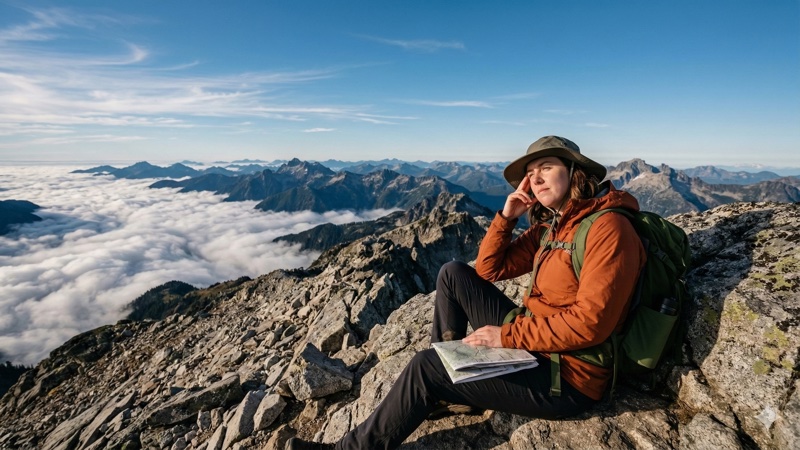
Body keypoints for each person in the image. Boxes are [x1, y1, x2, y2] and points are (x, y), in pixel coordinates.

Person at [286, 136, 646, 450]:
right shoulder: (554, 226)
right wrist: (507, 216)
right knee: (453, 273)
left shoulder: (608, 229)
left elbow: (590, 324)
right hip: (536, 343)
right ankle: (456, 386)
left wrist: (504, 336)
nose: (535, 179)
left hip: (567, 376)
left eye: (546, 168)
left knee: (427, 367)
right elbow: (489, 269)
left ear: (574, 172)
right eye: (530, 172)